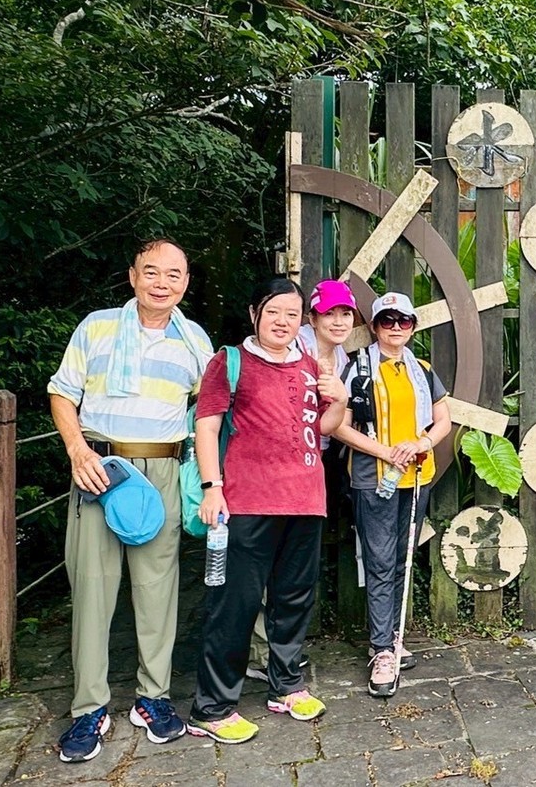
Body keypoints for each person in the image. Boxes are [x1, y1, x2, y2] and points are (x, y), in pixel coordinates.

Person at [46, 238, 214, 762]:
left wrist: (208, 479)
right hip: (101, 468)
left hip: (163, 468)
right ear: (133, 276)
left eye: (174, 274)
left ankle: (153, 698)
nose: (162, 283)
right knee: (93, 590)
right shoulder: (96, 327)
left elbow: (209, 412)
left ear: (185, 283)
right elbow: (61, 392)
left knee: (158, 588)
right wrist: (77, 450)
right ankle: (88, 709)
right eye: (152, 272)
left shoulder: (195, 341)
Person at [186, 278, 349, 743]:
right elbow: (206, 427)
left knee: (294, 598)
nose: (283, 321)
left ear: (302, 321)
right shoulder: (229, 362)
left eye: (292, 314)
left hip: (306, 499)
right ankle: (212, 707)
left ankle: (287, 686)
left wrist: (339, 399)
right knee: (234, 603)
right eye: (274, 311)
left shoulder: (309, 364)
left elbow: (324, 427)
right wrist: (212, 488)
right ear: (254, 313)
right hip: (247, 501)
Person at [335, 292, 453, 698]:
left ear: (413, 327)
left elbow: (443, 420)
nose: (396, 328)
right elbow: (339, 425)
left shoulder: (423, 370)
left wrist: (422, 443)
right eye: (388, 320)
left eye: (404, 321)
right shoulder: (358, 369)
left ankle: (391, 638)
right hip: (374, 476)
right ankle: (382, 650)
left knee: (402, 558)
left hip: (417, 476)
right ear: (374, 327)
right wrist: (385, 452)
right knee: (380, 560)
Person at [245, 279, 357, 683]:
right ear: (312, 317)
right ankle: (258, 654)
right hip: (273, 464)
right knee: (262, 561)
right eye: (329, 314)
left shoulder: (341, 358)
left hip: (312, 462)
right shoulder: (293, 348)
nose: (338, 322)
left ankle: (278, 655)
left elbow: (331, 419)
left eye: (345, 314)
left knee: (292, 567)